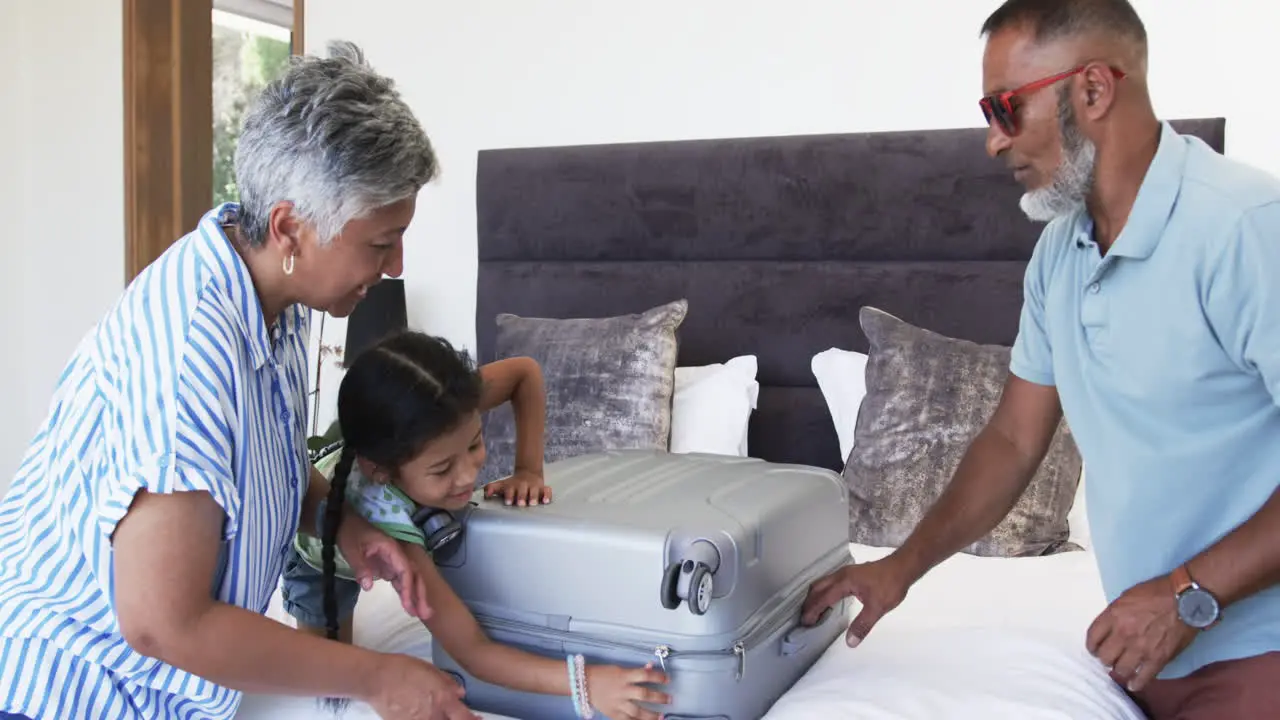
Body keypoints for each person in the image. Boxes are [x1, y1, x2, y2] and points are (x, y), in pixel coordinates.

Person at [801, 1, 1280, 718]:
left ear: (1092, 90)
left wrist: (1187, 594)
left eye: (1005, 109)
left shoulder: (1246, 229)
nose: (993, 141)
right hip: (1139, 654)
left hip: (1256, 652)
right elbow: (1013, 439)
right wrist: (899, 569)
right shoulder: (1059, 253)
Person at [0, 41, 479, 720]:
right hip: (67, 692)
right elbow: (162, 623)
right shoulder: (191, 350)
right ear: (290, 228)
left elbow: (252, 468)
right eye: (379, 243)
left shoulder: (275, 296)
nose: (396, 265)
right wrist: (378, 678)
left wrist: (342, 523)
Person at [284, 330, 670, 720]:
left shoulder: (448, 403)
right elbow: (473, 651)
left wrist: (528, 469)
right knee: (326, 682)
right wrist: (587, 684)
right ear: (382, 471)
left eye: (474, 444)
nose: (468, 475)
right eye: (442, 468)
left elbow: (524, 373)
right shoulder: (396, 539)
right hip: (319, 558)